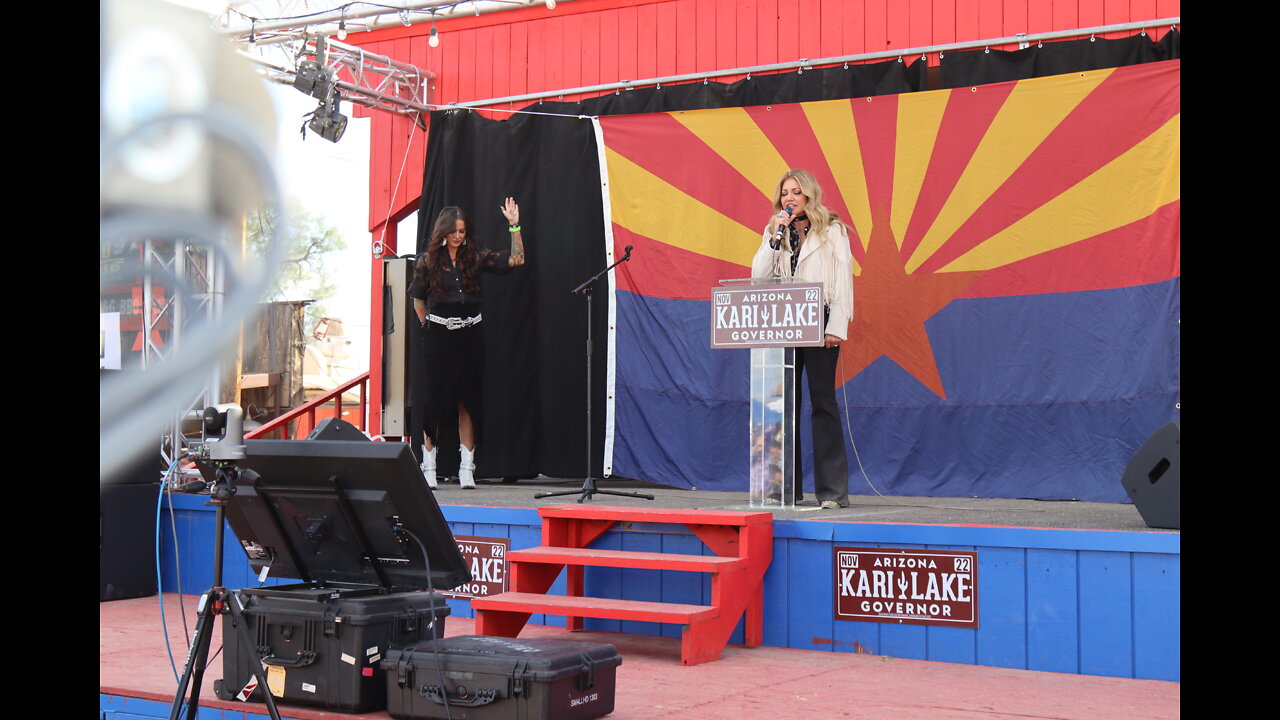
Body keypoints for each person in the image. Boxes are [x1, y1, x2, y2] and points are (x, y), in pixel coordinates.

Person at [751, 169, 852, 509]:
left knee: (822, 403)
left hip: (819, 318)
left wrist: (836, 325)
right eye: (784, 193)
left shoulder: (832, 230)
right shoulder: (774, 231)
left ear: (810, 195)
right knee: (781, 408)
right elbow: (758, 277)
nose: (790, 198)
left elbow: (843, 279)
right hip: (783, 320)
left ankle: (831, 492)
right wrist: (773, 236)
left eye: (796, 192)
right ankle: (782, 489)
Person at [409, 198, 525, 489]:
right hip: (438, 335)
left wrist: (515, 225)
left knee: (468, 402)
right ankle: (429, 467)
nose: (458, 236)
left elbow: (515, 260)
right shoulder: (427, 260)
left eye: (462, 231)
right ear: (443, 231)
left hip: (470, 334)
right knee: (434, 401)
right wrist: (428, 325)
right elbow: (418, 299)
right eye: (454, 231)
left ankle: (466, 469)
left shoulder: (475, 255)